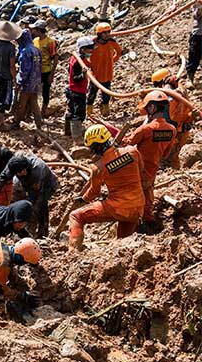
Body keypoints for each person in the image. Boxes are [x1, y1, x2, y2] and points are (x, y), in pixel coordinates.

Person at [69, 125, 145, 249]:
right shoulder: (132, 151)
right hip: (138, 207)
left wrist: (83, 199)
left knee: (76, 216)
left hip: (117, 207)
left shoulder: (98, 167)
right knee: (123, 242)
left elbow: (94, 192)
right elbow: (140, 169)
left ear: (94, 147)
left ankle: (72, 253)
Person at [123, 91, 176, 225]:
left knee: (134, 195)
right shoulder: (172, 129)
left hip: (138, 170)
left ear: (152, 108)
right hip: (153, 168)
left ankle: (134, 222)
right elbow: (166, 153)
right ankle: (148, 218)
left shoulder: (146, 129)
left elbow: (127, 143)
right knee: (148, 193)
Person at [0, 153, 58, 238]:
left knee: (38, 206)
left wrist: (25, 213)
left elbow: (34, 196)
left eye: (17, 174)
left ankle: (39, 233)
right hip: (27, 184)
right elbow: (3, 177)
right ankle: (18, 229)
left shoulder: (37, 169)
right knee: (17, 203)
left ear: (24, 170)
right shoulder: (14, 164)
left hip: (46, 186)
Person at [0, 21, 20, 125]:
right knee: (3, 98)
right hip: (6, 76)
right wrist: (14, 79)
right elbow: (11, 65)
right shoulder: (10, 47)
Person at [88, 22, 122, 117]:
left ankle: (105, 112)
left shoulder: (112, 42)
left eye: (108, 32)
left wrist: (112, 61)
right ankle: (88, 112)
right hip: (95, 75)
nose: (107, 35)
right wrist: (88, 66)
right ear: (99, 34)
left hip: (107, 74)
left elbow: (119, 52)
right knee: (92, 94)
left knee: (106, 95)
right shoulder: (93, 43)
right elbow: (85, 54)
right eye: (104, 33)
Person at [12, 30, 44, 130]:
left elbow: (24, 70)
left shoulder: (25, 52)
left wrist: (19, 82)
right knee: (34, 104)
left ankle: (17, 123)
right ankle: (39, 124)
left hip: (26, 83)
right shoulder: (36, 50)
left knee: (21, 103)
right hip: (36, 82)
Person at [65, 37, 95, 143]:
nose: (91, 51)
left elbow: (69, 70)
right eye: (89, 49)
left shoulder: (75, 58)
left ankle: (68, 131)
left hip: (72, 89)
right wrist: (84, 74)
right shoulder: (78, 62)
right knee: (79, 114)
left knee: (71, 110)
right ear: (82, 49)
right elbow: (76, 78)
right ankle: (77, 137)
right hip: (77, 91)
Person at [31, 21, 58, 118]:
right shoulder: (35, 41)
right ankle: (34, 111)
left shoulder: (50, 42)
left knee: (45, 92)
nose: (33, 31)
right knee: (34, 91)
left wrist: (52, 74)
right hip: (36, 71)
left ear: (39, 30)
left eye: (34, 29)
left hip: (46, 71)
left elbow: (55, 58)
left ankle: (43, 110)